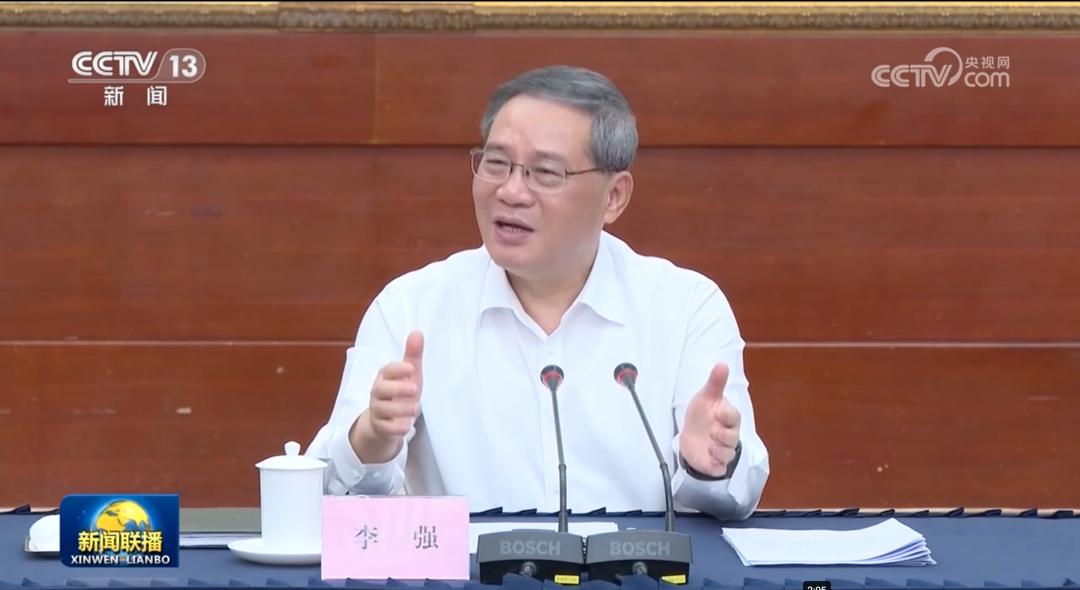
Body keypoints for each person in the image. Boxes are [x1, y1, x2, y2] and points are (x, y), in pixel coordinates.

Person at [305, 65, 769, 521]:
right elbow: (324, 493)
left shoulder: (686, 308)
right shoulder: (411, 308)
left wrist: (712, 464)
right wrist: (371, 440)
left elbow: (739, 493)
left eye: (545, 172)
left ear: (614, 197)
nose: (511, 191)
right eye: (496, 163)